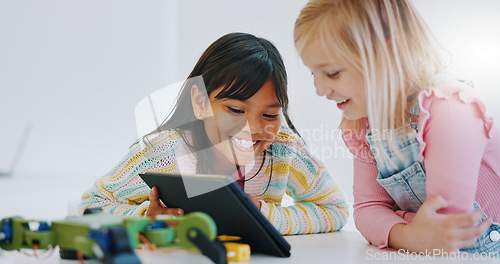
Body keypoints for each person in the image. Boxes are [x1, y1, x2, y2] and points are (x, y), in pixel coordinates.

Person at [80, 32, 349, 235]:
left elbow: (335, 209)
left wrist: (262, 215)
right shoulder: (164, 153)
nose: (254, 128)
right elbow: (89, 206)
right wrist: (142, 219)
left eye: (269, 114)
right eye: (235, 109)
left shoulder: (282, 150)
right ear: (200, 102)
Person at [294, 0, 500, 253]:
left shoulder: (450, 107)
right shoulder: (364, 126)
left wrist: (393, 222)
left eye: (333, 73)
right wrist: (409, 235)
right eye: (313, 73)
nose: (319, 90)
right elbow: (367, 210)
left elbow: (447, 228)